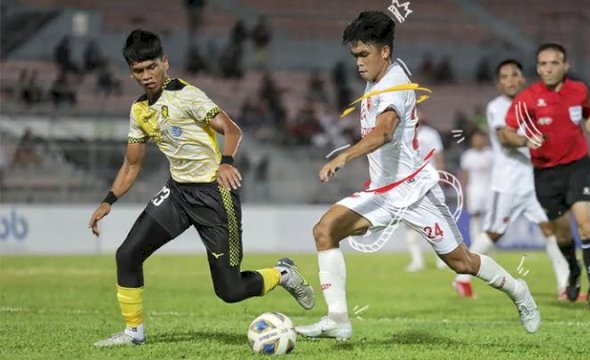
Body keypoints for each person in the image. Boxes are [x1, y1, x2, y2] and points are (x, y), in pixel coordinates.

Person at [295, 11, 540, 340]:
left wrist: (345, 155)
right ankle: (338, 319)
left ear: (385, 52)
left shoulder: (394, 86)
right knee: (325, 231)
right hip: (382, 192)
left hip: (415, 192)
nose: (358, 63)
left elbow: (383, 133)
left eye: (364, 54)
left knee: (462, 262)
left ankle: (518, 290)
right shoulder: (377, 79)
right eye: (355, 55)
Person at [88, 29, 315, 347]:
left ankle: (283, 274)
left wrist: (226, 161)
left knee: (230, 291)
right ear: (131, 72)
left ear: (165, 63)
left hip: (214, 194)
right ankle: (133, 333)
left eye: (152, 67)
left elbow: (232, 130)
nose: (146, 76)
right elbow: (132, 165)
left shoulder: (187, 96)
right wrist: (108, 200)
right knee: (127, 255)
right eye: (139, 71)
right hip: (178, 194)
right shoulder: (139, 110)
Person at [504, 43, 590, 312]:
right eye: (543, 64)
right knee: (562, 234)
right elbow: (505, 132)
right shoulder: (527, 98)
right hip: (545, 173)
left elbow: (589, 113)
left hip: (577, 166)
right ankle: (574, 270)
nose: (548, 68)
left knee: (585, 225)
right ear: (538, 67)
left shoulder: (579, 90)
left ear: (565, 66)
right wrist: (522, 139)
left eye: (554, 63)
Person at [453, 59, 569, 299]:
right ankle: (462, 277)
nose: (510, 80)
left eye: (514, 75)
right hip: (507, 184)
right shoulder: (497, 106)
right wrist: (528, 141)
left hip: (533, 182)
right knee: (494, 232)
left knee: (550, 230)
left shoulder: (533, 106)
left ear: (522, 78)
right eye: (504, 77)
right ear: (498, 84)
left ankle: (565, 286)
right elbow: (506, 137)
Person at [404, 115, 445, 272]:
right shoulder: (401, 134)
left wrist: (440, 177)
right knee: (409, 223)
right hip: (408, 184)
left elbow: (438, 156)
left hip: (429, 182)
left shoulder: (430, 134)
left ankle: (442, 258)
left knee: (435, 220)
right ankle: (416, 260)